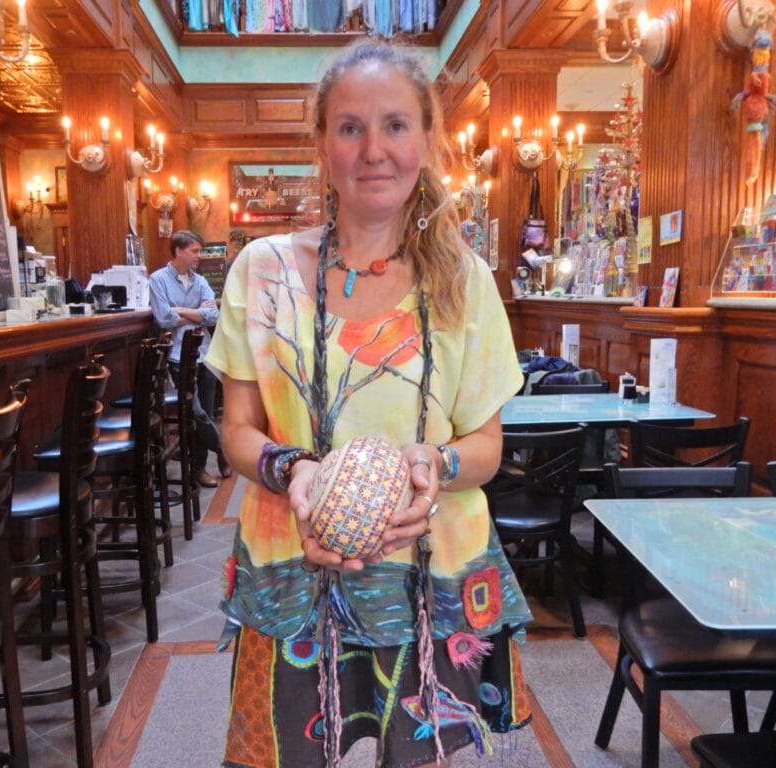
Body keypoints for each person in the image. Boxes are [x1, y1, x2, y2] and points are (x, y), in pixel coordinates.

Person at [206, 39, 532, 768]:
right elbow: (235, 430)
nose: (373, 149)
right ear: (322, 145)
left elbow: (486, 446)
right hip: (290, 565)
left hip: (433, 570)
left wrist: (435, 462)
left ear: (426, 141)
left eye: (394, 125)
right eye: (350, 127)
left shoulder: (464, 279)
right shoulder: (263, 272)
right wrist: (295, 471)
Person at [149, 229, 229, 488]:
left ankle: (200, 470)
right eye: (195, 251)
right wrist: (197, 313)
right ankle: (224, 449)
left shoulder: (200, 281)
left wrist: (181, 311)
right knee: (195, 414)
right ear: (178, 251)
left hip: (204, 353)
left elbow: (214, 316)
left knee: (204, 411)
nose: (199, 256)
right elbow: (163, 319)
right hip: (176, 355)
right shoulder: (158, 279)